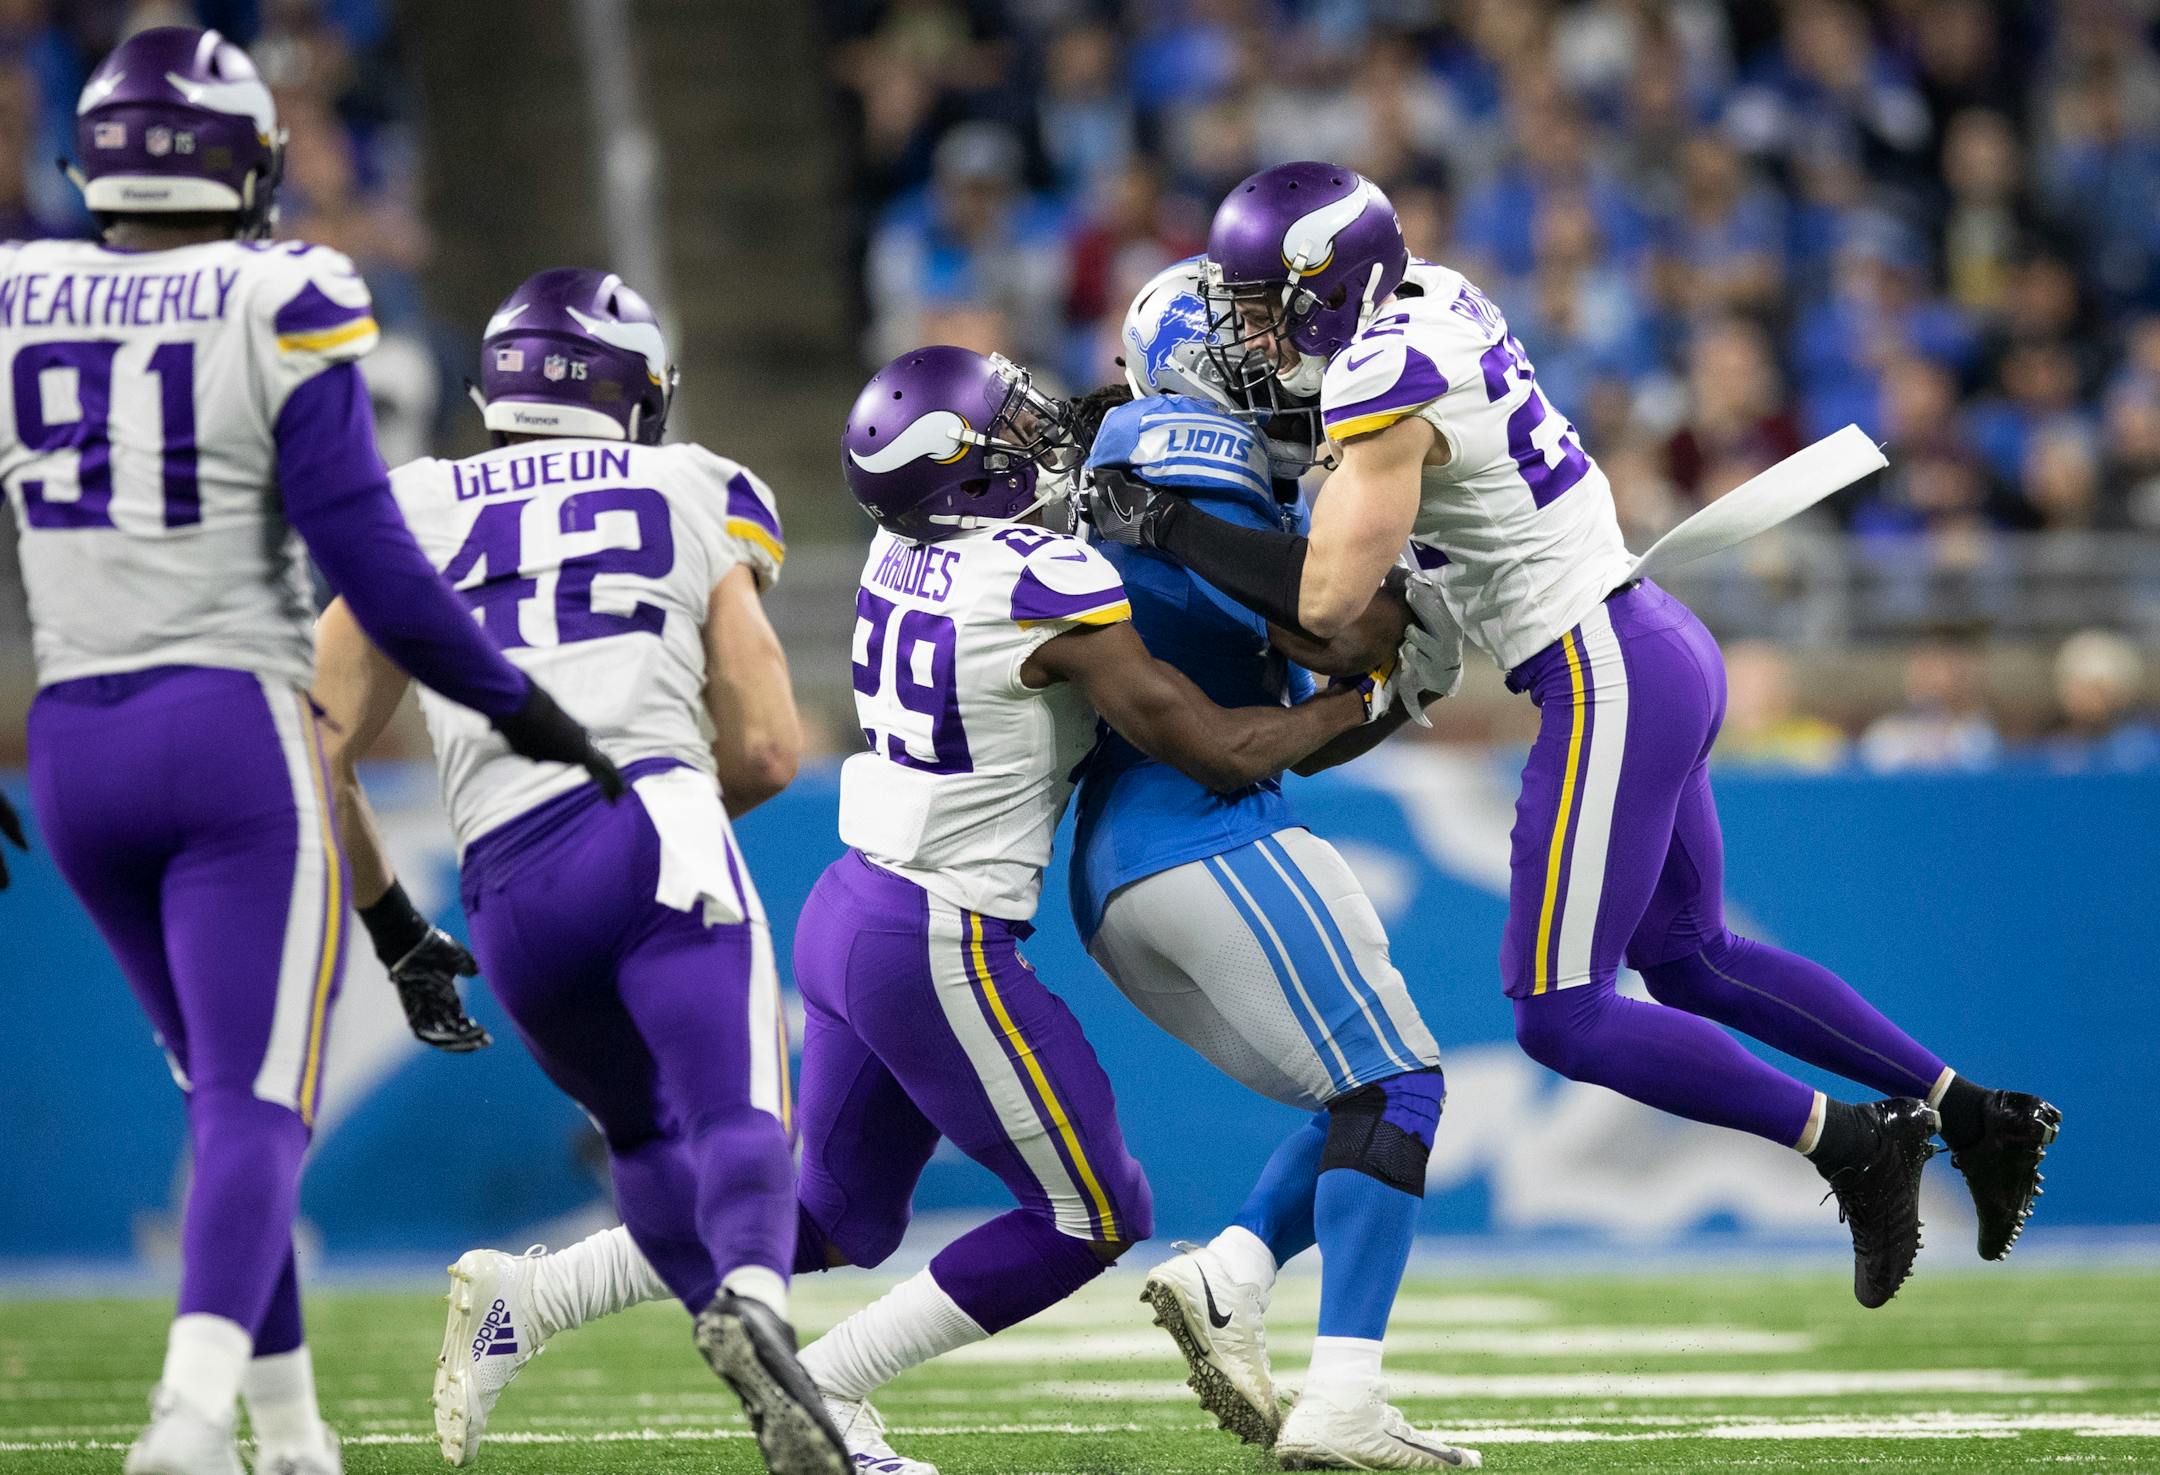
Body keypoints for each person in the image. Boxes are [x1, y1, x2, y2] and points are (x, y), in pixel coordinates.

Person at [1089, 161, 2061, 1309]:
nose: (1252, 333)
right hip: (1650, 636)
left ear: (1328, 288)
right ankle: (1975, 1114)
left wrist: (1165, 519)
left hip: (1600, 667)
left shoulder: (1381, 374)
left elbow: (1326, 602)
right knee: (1694, 959)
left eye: (1264, 304)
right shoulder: (1429, 301)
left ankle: (1858, 1144)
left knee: (1561, 1013)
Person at [413, 344, 1384, 1475]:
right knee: (1095, 1212)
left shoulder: (900, 544)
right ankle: (826, 1384)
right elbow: (1213, 747)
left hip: (855, 906)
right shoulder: (1040, 583)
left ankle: (529, 1296)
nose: (1038, 440)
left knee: (835, 1212)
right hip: (940, 935)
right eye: (1009, 432)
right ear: (965, 478)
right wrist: (1356, 697)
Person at [0, 31, 616, 1475]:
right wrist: (512, 700)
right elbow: (373, 563)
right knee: (255, 1100)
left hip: (75, 747)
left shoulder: (20, 289)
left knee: (223, 1097)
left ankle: (287, 1432)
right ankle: (186, 1419)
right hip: (231, 736)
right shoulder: (285, 288)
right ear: (241, 160)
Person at [312, 268, 847, 1475]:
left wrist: (397, 930)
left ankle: (753, 1343)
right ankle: (756, 1307)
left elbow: (315, 745)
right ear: (636, 394)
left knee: (642, 1136)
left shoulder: (411, 505)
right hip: (652, 817)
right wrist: (673, 820)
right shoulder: (693, 483)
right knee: (742, 1111)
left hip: (500, 884)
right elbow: (766, 740)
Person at [1067, 260, 1483, 1470]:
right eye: (1248, 330)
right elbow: (1329, 620)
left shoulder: (1214, 471)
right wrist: (1414, 615)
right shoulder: (1175, 437)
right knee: (1398, 1088)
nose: (1281, 349)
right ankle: (1342, 1396)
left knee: (1373, 1094)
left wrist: (1402, 687)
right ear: (1195, 355)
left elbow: (1314, 704)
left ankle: (1234, 1273)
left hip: (1137, 855)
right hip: (1189, 824)